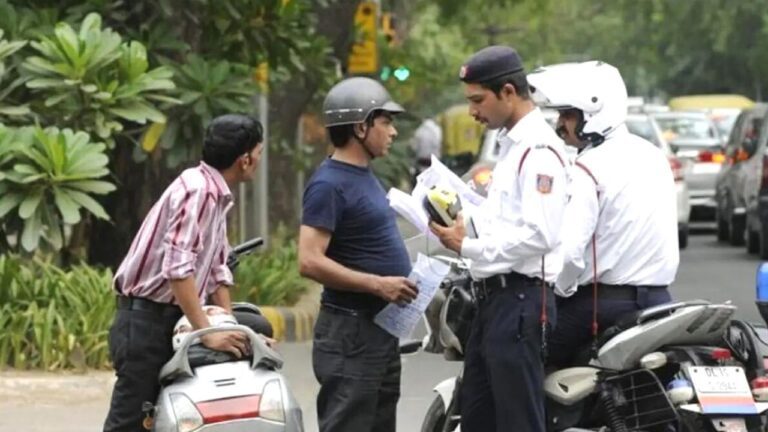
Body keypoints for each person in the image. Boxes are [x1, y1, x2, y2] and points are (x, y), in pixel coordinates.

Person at [430, 45, 569, 432]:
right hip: (493, 301)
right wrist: (460, 221)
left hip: (521, 301)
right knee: (478, 417)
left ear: (508, 92)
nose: (473, 111)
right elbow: (504, 221)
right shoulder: (512, 148)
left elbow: (541, 234)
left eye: (478, 100)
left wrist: (468, 245)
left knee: (516, 421)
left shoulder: (539, 151)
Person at [103, 114, 266, 432]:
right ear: (244, 160)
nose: (258, 162)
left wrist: (232, 330)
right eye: (259, 154)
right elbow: (178, 271)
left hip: (170, 320)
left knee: (169, 421)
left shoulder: (215, 195)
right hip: (146, 324)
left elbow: (218, 270)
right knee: (131, 424)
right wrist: (208, 334)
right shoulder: (199, 192)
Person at [527, 61, 679, 368]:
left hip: (601, 306)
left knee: (523, 355)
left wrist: (559, 289)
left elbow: (570, 254)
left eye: (567, 115)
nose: (560, 124)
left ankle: (534, 418)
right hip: (661, 301)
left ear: (593, 113)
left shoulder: (589, 167)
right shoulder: (653, 155)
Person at [298, 77, 418, 432]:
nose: (393, 131)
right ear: (360, 127)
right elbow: (309, 259)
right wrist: (377, 284)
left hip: (379, 331)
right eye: (386, 122)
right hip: (350, 334)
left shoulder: (363, 175)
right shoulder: (328, 184)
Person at [410, 117, 442, 185]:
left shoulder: (419, 131)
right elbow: (438, 146)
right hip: (433, 161)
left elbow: (414, 148)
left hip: (421, 162)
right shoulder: (436, 130)